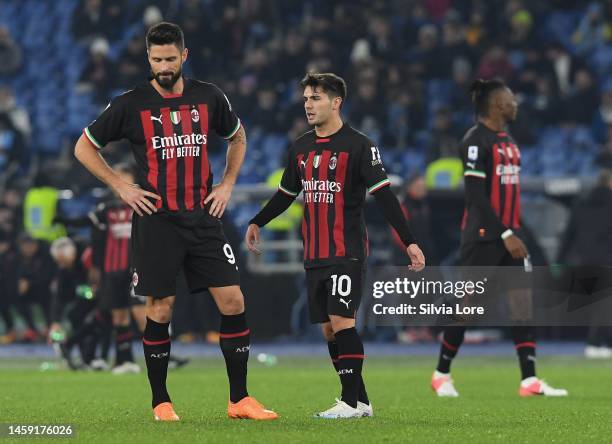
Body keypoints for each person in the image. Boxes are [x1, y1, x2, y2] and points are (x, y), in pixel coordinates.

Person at [73, 22, 277, 421]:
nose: (163, 66)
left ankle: (240, 400)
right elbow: (84, 146)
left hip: (203, 218)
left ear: (184, 56)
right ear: (148, 59)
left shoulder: (209, 96)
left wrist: (227, 183)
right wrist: (121, 187)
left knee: (234, 300)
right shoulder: (131, 104)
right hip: (156, 220)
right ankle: (161, 402)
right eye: (156, 59)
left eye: (169, 58)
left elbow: (237, 136)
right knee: (160, 309)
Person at [246, 73, 425, 418]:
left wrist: (410, 241)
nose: (308, 105)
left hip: (347, 249)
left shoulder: (360, 145)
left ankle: (349, 402)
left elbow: (385, 196)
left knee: (342, 321)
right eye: (306, 99)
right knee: (329, 328)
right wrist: (258, 221)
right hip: (314, 252)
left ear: (336, 102)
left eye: (315, 98)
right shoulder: (300, 147)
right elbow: (286, 195)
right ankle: (362, 402)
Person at [431, 79, 567, 397]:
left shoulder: (508, 139)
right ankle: (441, 373)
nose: (515, 103)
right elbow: (476, 195)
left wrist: (514, 231)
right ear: (495, 105)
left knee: (522, 303)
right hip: (483, 236)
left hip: (510, 235)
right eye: (510, 99)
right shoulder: (475, 141)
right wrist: (504, 232)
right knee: (469, 306)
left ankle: (529, 380)